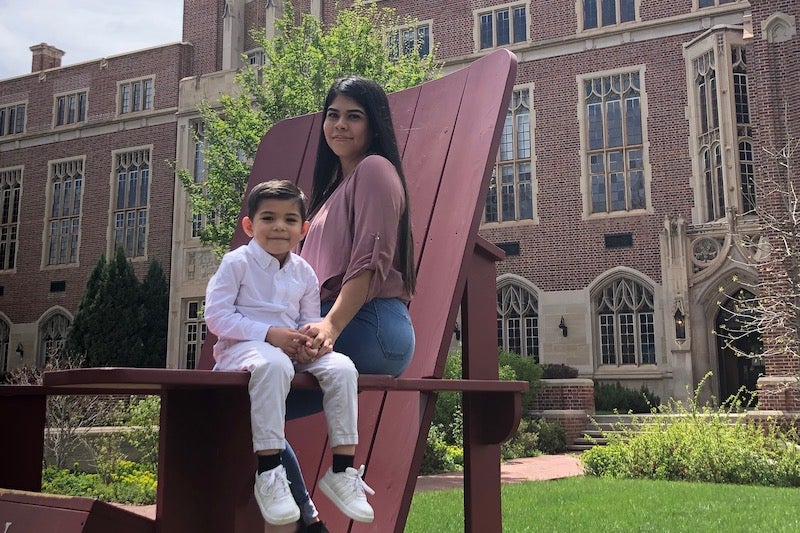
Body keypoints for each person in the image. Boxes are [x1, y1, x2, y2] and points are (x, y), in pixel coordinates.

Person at [280, 75, 417, 530]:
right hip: (349, 324)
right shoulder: (333, 190)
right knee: (249, 406)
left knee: (240, 396)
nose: (340, 124)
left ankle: (310, 513)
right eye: (333, 115)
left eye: (353, 116)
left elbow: (369, 263)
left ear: (373, 125)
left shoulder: (375, 170)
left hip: (367, 324)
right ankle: (309, 522)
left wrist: (330, 327)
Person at [204, 180, 374, 531]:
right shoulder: (236, 263)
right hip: (242, 351)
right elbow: (217, 317)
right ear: (249, 225)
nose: (279, 226)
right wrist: (269, 334)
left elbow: (308, 320)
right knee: (274, 363)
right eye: (268, 218)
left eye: (290, 220)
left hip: (288, 352)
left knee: (343, 367)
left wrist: (311, 341)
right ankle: (269, 472)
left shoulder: (304, 272)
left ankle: (342, 469)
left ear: (303, 229)